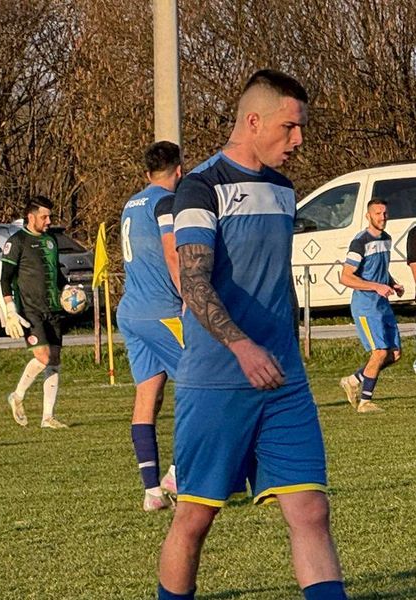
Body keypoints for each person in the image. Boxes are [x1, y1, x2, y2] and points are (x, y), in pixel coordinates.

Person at [158, 70, 347, 600]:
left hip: (283, 379)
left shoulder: (283, 190)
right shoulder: (200, 187)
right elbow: (194, 282)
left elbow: (274, 277)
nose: (299, 139)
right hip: (218, 380)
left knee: (311, 509)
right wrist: (242, 346)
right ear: (254, 121)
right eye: (290, 127)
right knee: (195, 518)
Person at [117, 141, 184, 512]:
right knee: (202, 386)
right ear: (180, 170)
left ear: (147, 173)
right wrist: (189, 295)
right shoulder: (167, 202)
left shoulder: (132, 203)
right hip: (163, 312)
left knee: (148, 396)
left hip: (131, 311)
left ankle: (151, 492)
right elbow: (172, 251)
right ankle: (177, 473)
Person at [1, 195, 69, 429]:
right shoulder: (17, 241)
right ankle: (17, 396)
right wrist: (10, 309)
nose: (49, 221)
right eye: (44, 217)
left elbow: (56, 273)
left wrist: (68, 290)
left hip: (53, 309)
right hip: (30, 311)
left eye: (50, 216)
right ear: (31, 217)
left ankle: (47, 417)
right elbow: (5, 278)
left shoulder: (51, 240)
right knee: (43, 357)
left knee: (55, 360)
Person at [338, 199, 404, 413]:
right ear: (368, 216)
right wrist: (376, 286)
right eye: (377, 213)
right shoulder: (360, 242)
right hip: (366, 306)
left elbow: (379, 269)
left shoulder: (386, 239)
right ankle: (365, 402)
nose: (382, 217)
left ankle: (353, 380)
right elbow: (346, 277)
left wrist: (391, 283)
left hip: (382, 304)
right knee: (380, 352)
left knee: (394, 354)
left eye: (385, 213)